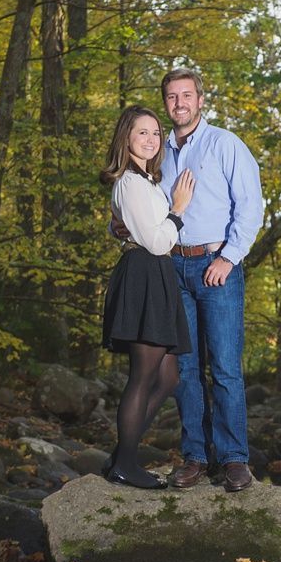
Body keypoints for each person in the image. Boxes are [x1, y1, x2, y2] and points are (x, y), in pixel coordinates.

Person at [157, 67, 263, 493]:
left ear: (201, 100)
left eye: (186, 95)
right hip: (172, 267)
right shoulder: (156, 150)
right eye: (171, 97)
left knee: (224, 367)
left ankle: (235, 459)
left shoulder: (225, 144)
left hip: (216, 266)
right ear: (165, 103)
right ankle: (196, 457)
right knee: (184, 369)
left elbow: (251, 207)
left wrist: (229, 258)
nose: (179, 103)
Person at [100, 105, 195, 489]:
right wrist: (178, 210)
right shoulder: (131, 181)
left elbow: (133, 227)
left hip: (158, 277)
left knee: (168, 376)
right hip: (144, 275)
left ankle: (121, 455)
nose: (152, 139)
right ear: (127, 137)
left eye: (156, 133)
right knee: (142, 376)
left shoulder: (146, 181)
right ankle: (125, 464)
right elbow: (157, 241)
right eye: (143, 132)